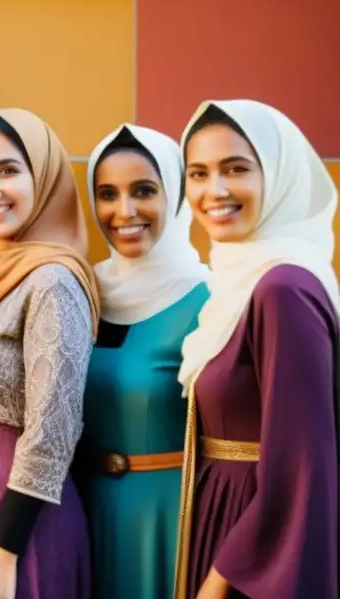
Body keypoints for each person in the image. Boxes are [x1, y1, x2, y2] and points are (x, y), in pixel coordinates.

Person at [174, 100, 339, 599]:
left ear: (279, 175)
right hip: (226, 517)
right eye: (198, 174)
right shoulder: (238, 281)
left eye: (236, 169)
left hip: (256, 549)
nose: (214, 191)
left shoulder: (282, 288)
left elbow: (300, 465)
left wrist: (220, 581)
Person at [0, 108, 99, 599]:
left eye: (8, 170)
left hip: (22, 520)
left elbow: (54, 427)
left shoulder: (53, 280)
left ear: (44, 177)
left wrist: (3, 556)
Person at [76, 124, 209, 599]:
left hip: (168, 519)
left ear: (174, 195)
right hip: (80, 516)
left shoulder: (210, 299)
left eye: (144, 191)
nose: (124, 211)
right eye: (107, 194)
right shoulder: (79, 290)